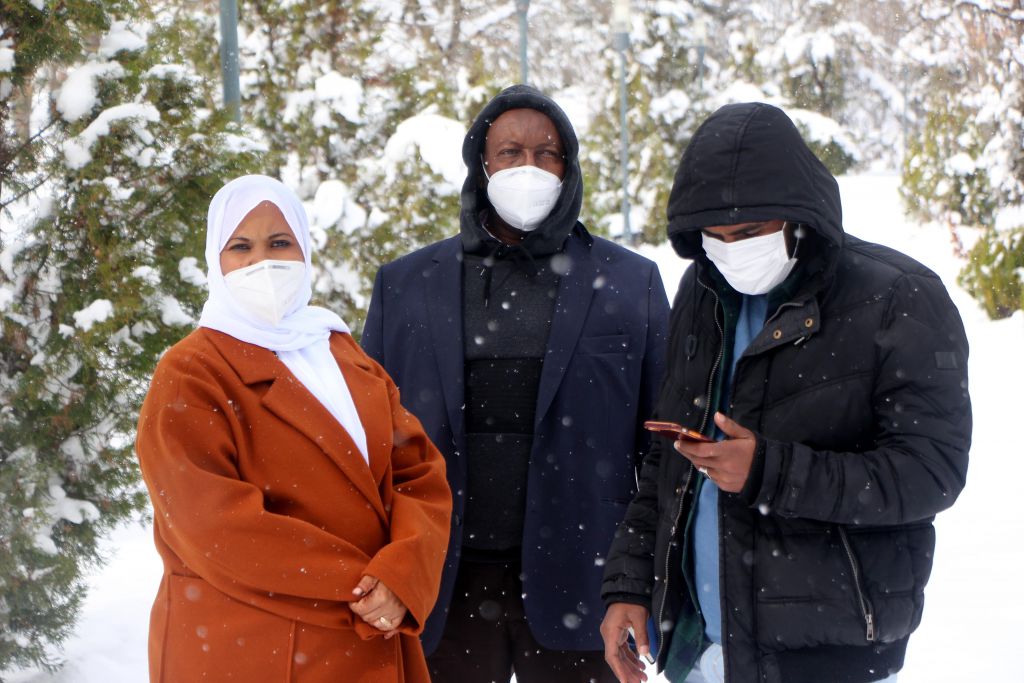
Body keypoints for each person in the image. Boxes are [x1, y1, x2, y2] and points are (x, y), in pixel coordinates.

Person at [600, 102, 971, 683]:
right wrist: (629, 581)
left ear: (800, 218)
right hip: (699, 652)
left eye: (749, 233)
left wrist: (770, 471)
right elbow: (665, 463)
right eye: (715, 237)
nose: (731, 251)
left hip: (826, 658)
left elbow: (931, 472)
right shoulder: (702, 288)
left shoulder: (898, 298)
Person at [361, 84, 670, 682]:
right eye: (509, 152)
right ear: (483, 163)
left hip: (583, 586)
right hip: (441, 592)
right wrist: (388, 569)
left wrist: (639, 583)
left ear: (568, 166)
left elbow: (661, 451)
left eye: (546, 153)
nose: (527, 167)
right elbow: (373, 446)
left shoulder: (630, 283)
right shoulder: (406, 286)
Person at [135, 175, 452, 682]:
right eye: (241, 246)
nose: (263, 261)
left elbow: (417, 474)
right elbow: (211, 525)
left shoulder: (342, 355)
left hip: (364, 639)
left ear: (303, 250)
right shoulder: (190, 372)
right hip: (254, 648)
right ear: (216, 261)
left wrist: (403, 573)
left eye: (280, 242)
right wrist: (366, 590)